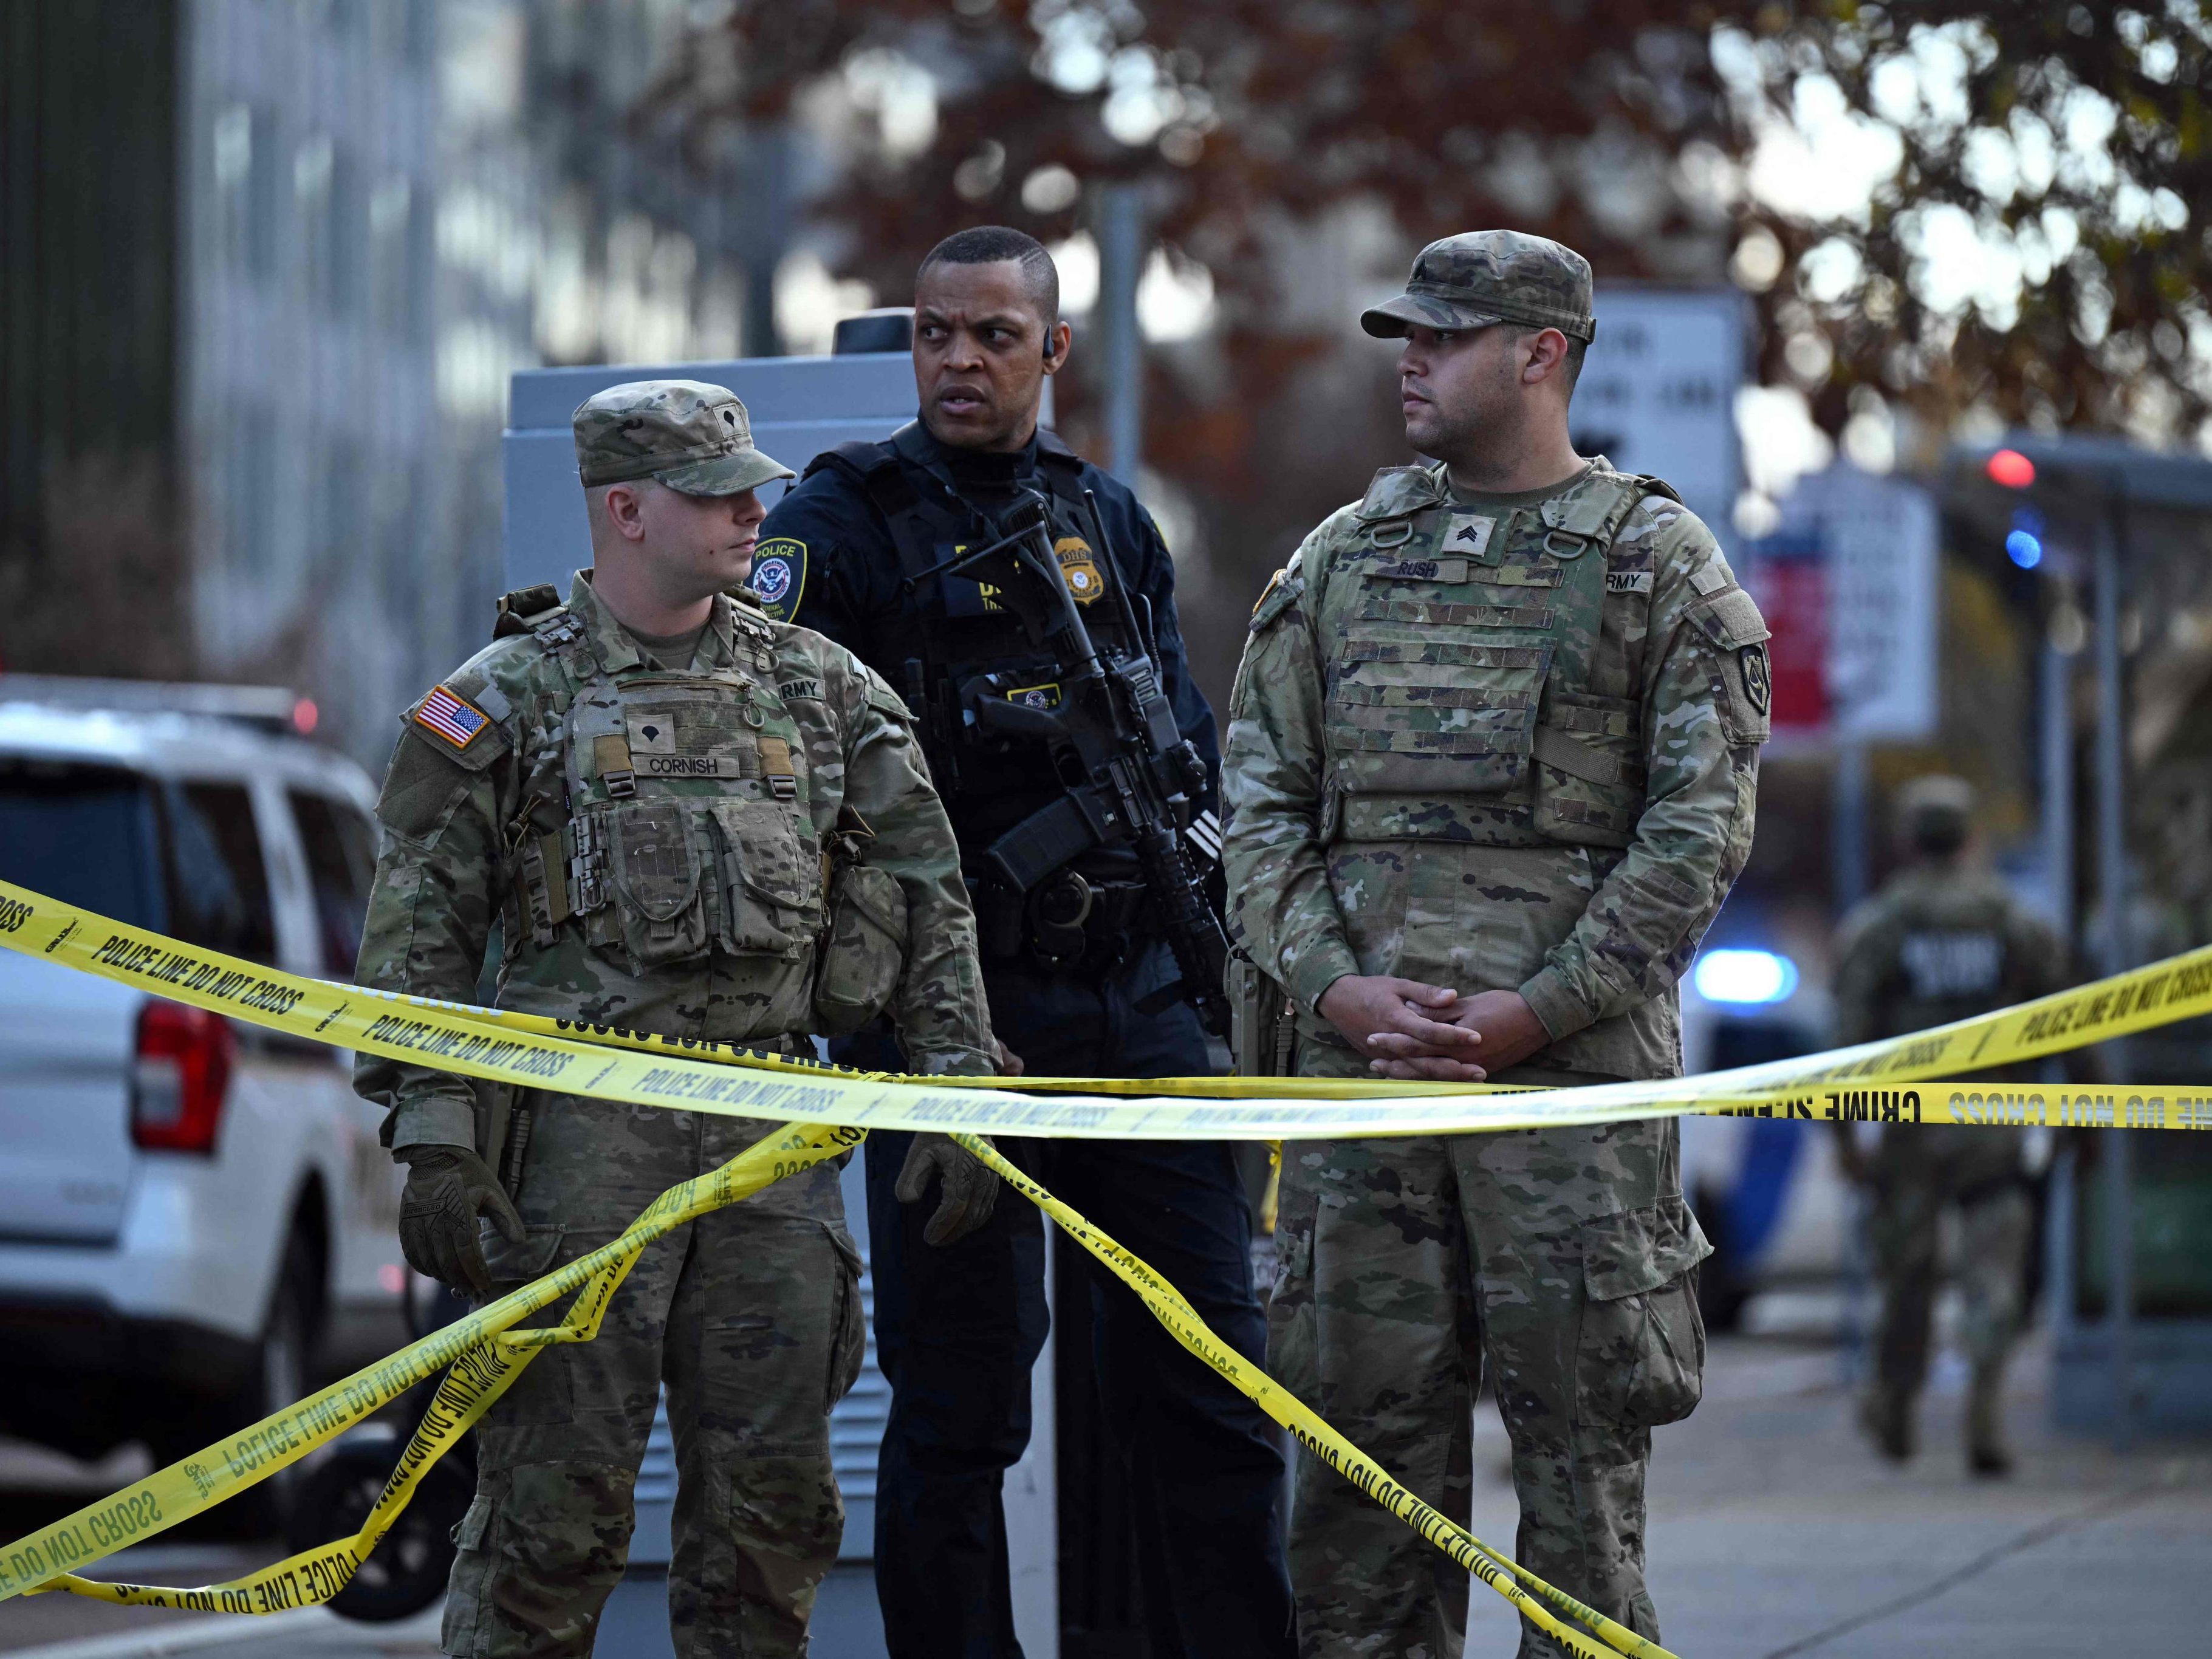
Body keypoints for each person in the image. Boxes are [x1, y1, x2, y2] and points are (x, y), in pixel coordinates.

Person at [353, 380, 998, 1658]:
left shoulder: (821, 689)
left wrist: (954, 1083)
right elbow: (417, 925)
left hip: (771, 1142)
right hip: (578, 1147)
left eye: (750, 486)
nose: (753, 511)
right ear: (625, 509)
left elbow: (926, 887)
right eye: (717, 495)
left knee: (769, 1521)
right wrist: (431, 1131)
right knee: (551, 1511)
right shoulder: (507, 697)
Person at [1222, 230, 1770, 1659]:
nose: (1410, 358)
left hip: (1569, 1108)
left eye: (1444, 336)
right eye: (1405, 333)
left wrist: (1543, 1007)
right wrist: (1331, 983)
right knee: (1356, 1487)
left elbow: (1696, 835)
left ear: (1542, 353)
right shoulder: (1342, 559)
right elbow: (1258, 806)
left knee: (1583, 1484)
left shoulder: (1657, 565)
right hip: (1369, 1098)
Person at [755, 226, 1292, 1659]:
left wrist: (1207, 962)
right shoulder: (841, 522)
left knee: (1209, 1374)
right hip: (956, 1031)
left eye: (995, 334)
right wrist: (919, 1012)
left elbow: (1180, 752)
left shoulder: (1107, 520)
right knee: (962, 1411)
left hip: (1132, 1008)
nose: (959, 360)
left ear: (1052, 352)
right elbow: (798, 802)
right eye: (936, 332)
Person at [1832, 775, 2068, 1476]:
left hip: (1907, 1132)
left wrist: (1845, 1139)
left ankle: (1895, 1404)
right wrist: (2078, 1121)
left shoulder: (1880, 925)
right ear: (1969, 838)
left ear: (1908, 840)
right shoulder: (2012, 922)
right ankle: (1983, 1414)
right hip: (1993, 1126)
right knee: (1991, 1274)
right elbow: (2070, 1021)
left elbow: (1847, 1040)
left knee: (1906, 1273)